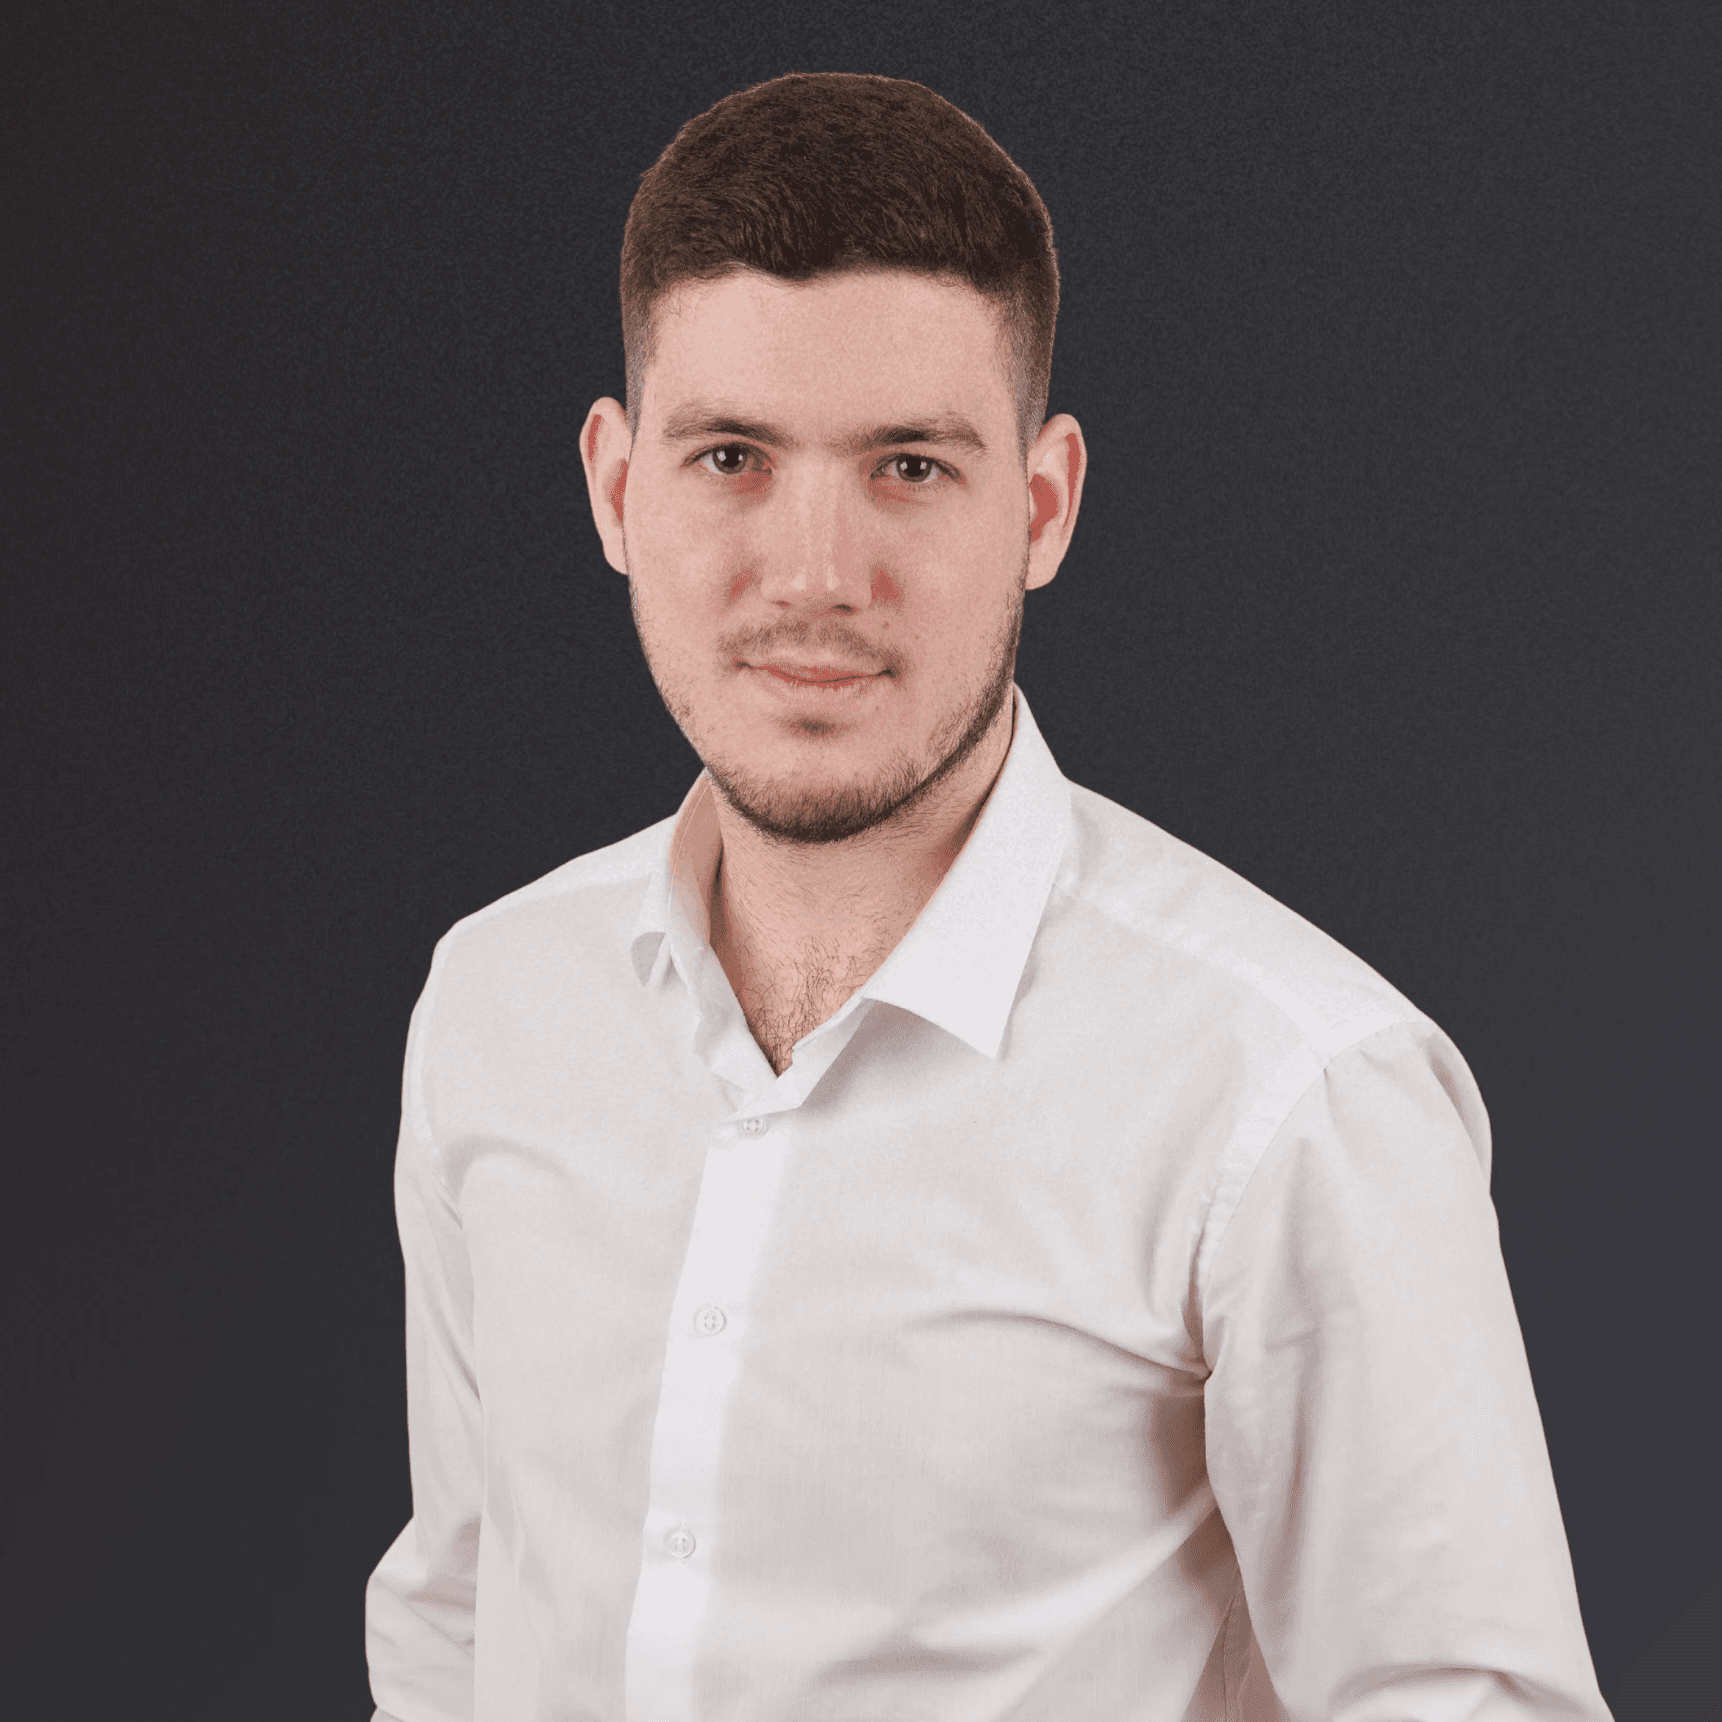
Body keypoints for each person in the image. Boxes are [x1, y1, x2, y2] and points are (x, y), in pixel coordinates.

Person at [365, 72, 1610, 1722]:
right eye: (730, 454)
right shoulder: (497, 1004)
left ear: (1040, 504)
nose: (812, 569)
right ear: (615, 488)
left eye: (907, 467)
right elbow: (461, 1619)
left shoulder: (1291, 1092)